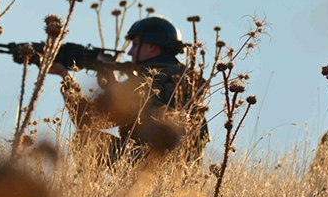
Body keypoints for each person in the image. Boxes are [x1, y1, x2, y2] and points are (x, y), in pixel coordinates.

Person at [48, 16, 208, 163]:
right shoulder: (184, 81)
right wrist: (115, 88)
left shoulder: (144, 82)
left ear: (152, 47)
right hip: (184, 173)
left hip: (149, 167)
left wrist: (65, 77)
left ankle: (89, 192)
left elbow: (85, 119)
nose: (130, 52)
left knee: (86, 139)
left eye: (136, 45)